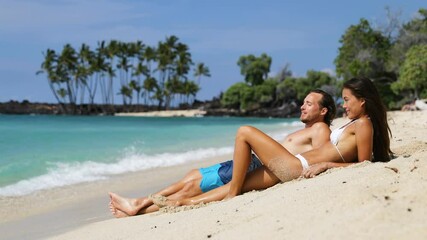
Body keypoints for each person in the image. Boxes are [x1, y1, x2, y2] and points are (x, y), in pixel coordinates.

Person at [152, 77, 392, 207]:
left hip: (296, 167)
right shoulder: (356, 123)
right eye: (343, 100)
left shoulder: (363, 124)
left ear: (363, 101)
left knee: (245, 132)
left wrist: (328, 166)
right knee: (237, 183)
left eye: (347, 100)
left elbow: (364, 164)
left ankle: (231, 199)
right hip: (295, 165)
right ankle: (182, 202)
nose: (344, 105)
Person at [109, 89, 336, 217]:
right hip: (252, 161)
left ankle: (138, 206)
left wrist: (323, 168)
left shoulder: (320, 128)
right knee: (191, 177)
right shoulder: (308, 129)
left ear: (323, 111)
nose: (302, 106)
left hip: (255, 166)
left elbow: (319, 156)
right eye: (303, 103)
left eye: (309, 104)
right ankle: (138, 207)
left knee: (191, 188)